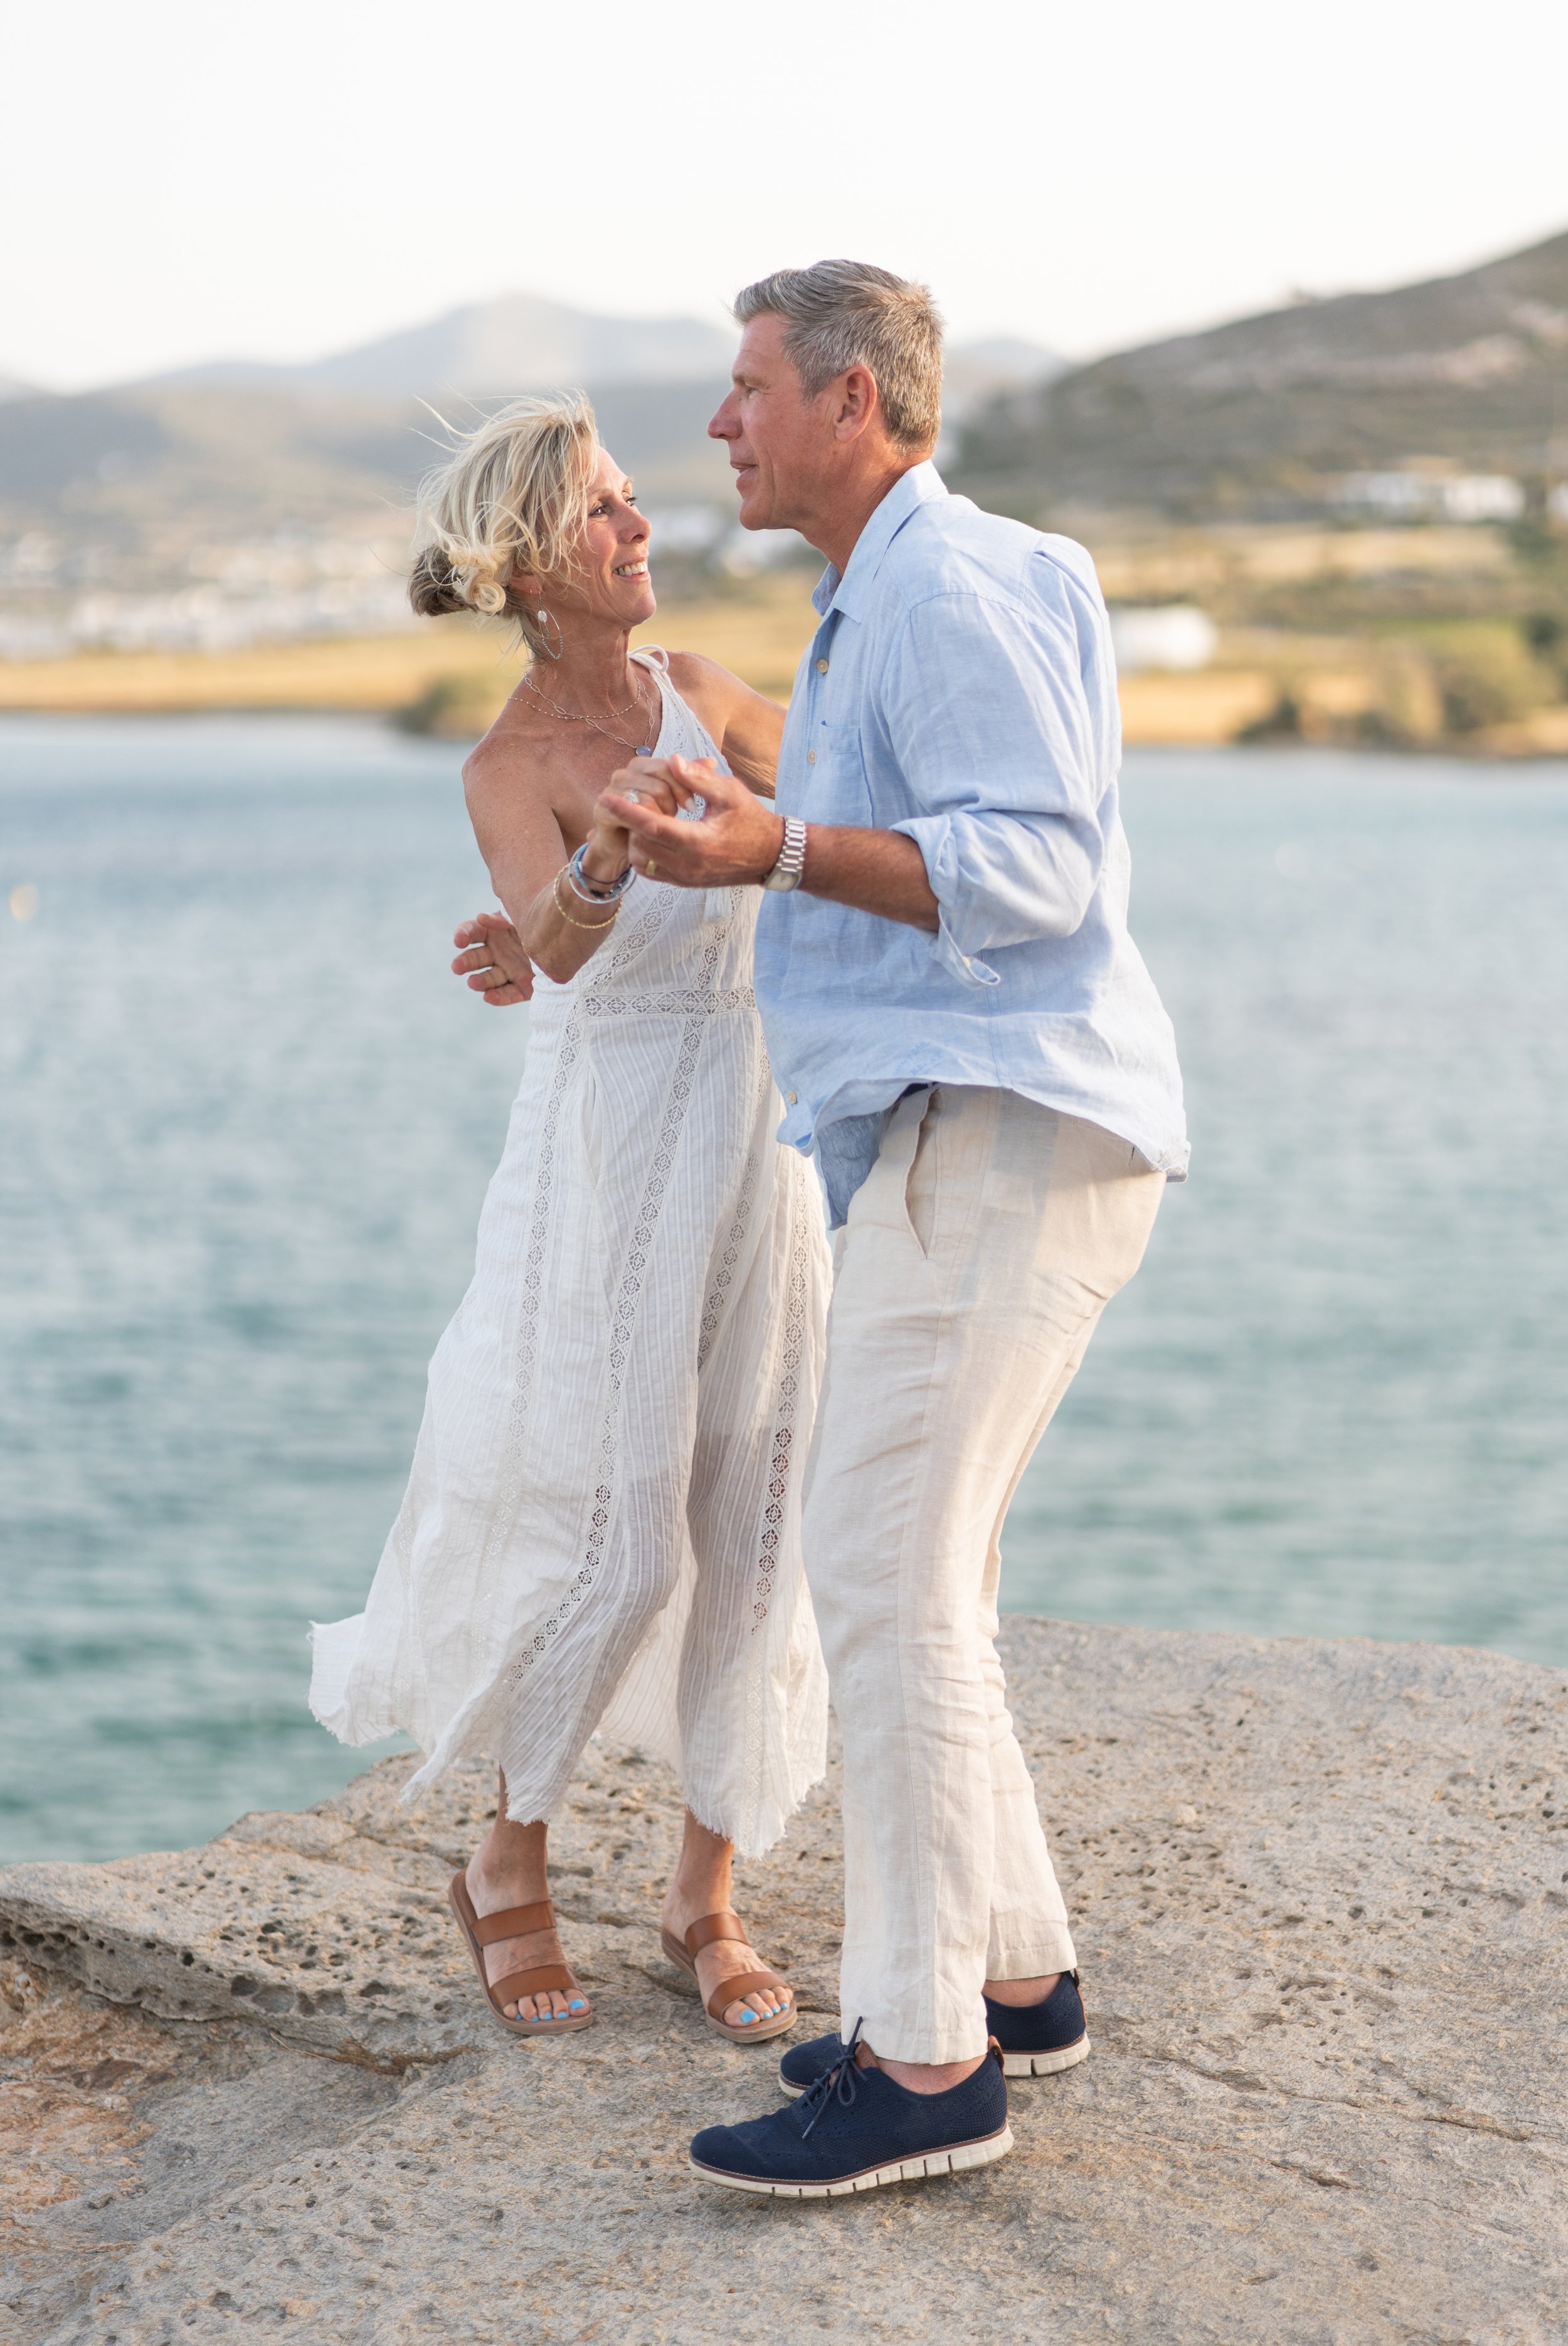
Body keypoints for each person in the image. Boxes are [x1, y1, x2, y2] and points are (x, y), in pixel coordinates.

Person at [593, 261, 1189, 2195]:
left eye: (748, 386)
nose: (719, 423)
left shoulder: (938, 582)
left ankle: (925, 2059)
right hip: (983, 1131)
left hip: (999, 1129)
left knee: (878, 1565)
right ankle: (1013, 1977)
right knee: (915, 1565)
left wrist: (766, 846)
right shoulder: (898, 596)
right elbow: (927, 823)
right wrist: (755, 787)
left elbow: (1034, 865)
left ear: (850, 401)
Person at [309, 394, 832, 2047]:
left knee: (756, 1515)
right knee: (615, 1538)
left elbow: (838, 802)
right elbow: (561, 939)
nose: (642, 530)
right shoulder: (510, 762)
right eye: (608, 511)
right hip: (610, 1160)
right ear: (537, 558)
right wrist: (593, 864)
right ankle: (505, 1854)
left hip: (763, 1142)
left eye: (633, 503)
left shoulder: (714, 695)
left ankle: (705, 1892)